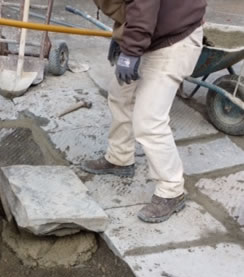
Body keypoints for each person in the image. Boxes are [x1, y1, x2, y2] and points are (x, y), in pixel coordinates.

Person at [82, 0, 206, 223]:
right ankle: (120, 158)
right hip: (150, 30)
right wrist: (122, 38)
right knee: (120, 95)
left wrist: (131, 49)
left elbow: (144, 3)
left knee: (149, 120)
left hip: (174, 38)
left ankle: (172, 190)